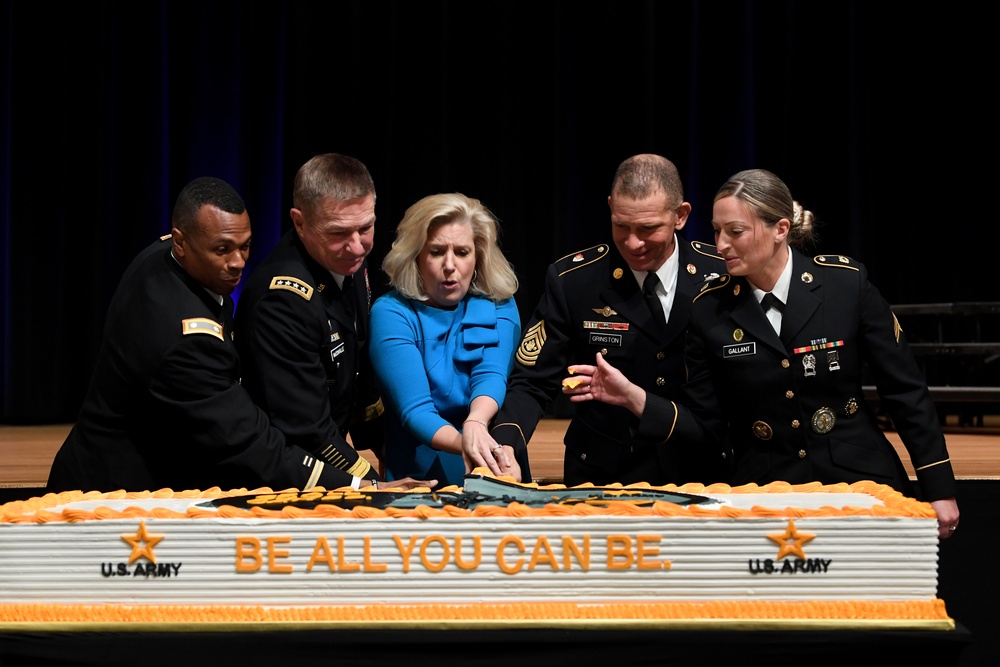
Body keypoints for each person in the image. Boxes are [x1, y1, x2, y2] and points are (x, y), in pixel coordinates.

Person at [568, 168, 959, 539]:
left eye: (735, 232)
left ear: (780, 229)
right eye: (717, 231)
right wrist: (634, 397)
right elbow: (706, 425)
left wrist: (938, 485)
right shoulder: (709, 310)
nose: (720, 245)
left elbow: (905, 392)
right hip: (767, 489)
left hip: (859, 480)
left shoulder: (845, 285)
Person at [46, 177, 414, 493]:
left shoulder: (167, 258)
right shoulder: (186, 341)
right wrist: (359, 488)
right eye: (222, 249)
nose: (238, 262)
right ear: (180, 242)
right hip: (112, 495)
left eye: (245, 246)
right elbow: (251, 442)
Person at [483, 154, 729, 486]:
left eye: (648, 228)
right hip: (604, 475)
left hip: (702, 470)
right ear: (611, 205)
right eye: (621, 225)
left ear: (680, 216)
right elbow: (532, 381)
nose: (632, 243)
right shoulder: (574, 280)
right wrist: (506, 445)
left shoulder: (722, 275)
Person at [234, 153, 431, 492]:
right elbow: (304, 430)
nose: (357, 247)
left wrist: (387, 447)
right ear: (299, 222)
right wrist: (369, 481)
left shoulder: (343, 259)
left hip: (323, 456)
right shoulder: (281, 300)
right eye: (339, 232)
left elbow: (357, 367)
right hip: (278, 481)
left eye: (365, 228)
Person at [369, 193, 521, 487]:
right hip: (421, 472)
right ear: (415, 256)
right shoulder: (391, 312)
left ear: (478, 256)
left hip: (496, 461)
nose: (450, 265)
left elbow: (491, 375)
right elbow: (416, 410)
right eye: (437, 251)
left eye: (462, 252)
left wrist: (477, 424)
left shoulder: (499, 302)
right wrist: (472, 444)